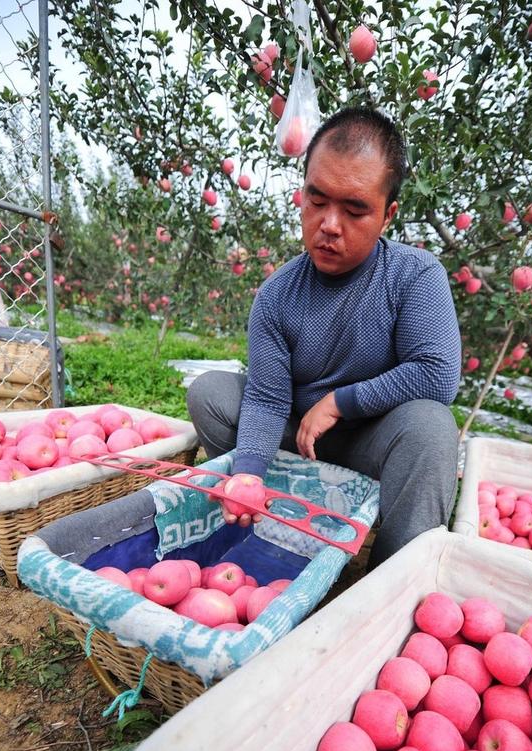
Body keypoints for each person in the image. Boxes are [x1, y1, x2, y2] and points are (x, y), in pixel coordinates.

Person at [188, 106, 461, 570]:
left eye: (355, 210)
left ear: (387, 214)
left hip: (372, 444)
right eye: (317, 202)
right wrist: (248, 474)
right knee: (210, 393)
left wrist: (338, 402)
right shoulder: (278, 294)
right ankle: (272, 509)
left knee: (431, 427)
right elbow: (267, 397)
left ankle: (394, 581)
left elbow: (437, 377)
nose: (330, 225)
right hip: (299, 441)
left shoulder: (415, 275)